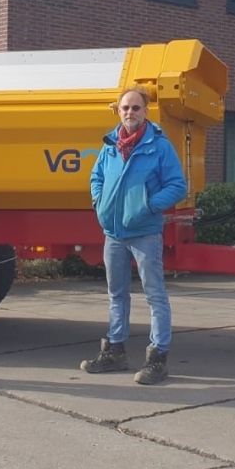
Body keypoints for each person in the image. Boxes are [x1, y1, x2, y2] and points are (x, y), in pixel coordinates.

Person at [82, 85, 187, 385]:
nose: (130, 112)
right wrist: (99, 201)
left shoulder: (159, 146)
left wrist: (148, 206)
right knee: (117, 294)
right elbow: (96, 176)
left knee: (155, 296)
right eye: (125, 107)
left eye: (136, 108)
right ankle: (114, 353)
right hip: (113, 233)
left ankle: (157, 358)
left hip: (144, 234)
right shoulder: (110, 145)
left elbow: (177, 186)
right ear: (118, 110)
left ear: (146, 111)